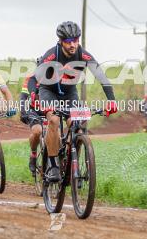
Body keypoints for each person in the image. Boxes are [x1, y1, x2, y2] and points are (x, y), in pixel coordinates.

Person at [35, 21, 117, 182]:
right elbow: (34, 78)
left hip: (69, 93)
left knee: (77, 124)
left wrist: (112, 100)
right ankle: (52, 166)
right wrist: (34, 94)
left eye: (76, 40)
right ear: (60, 41)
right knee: (54, 120)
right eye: (68, 41)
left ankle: (73, 165)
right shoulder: (51, 55)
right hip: (48, 91)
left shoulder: (83, 55)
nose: (72, 44)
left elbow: (101, 76)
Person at [19, 58, 43, 175]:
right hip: (34, 109)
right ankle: (33, 154)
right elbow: (23, 97)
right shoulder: (30, 78)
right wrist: (23, 111)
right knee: (37, 131)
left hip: (50, 109)